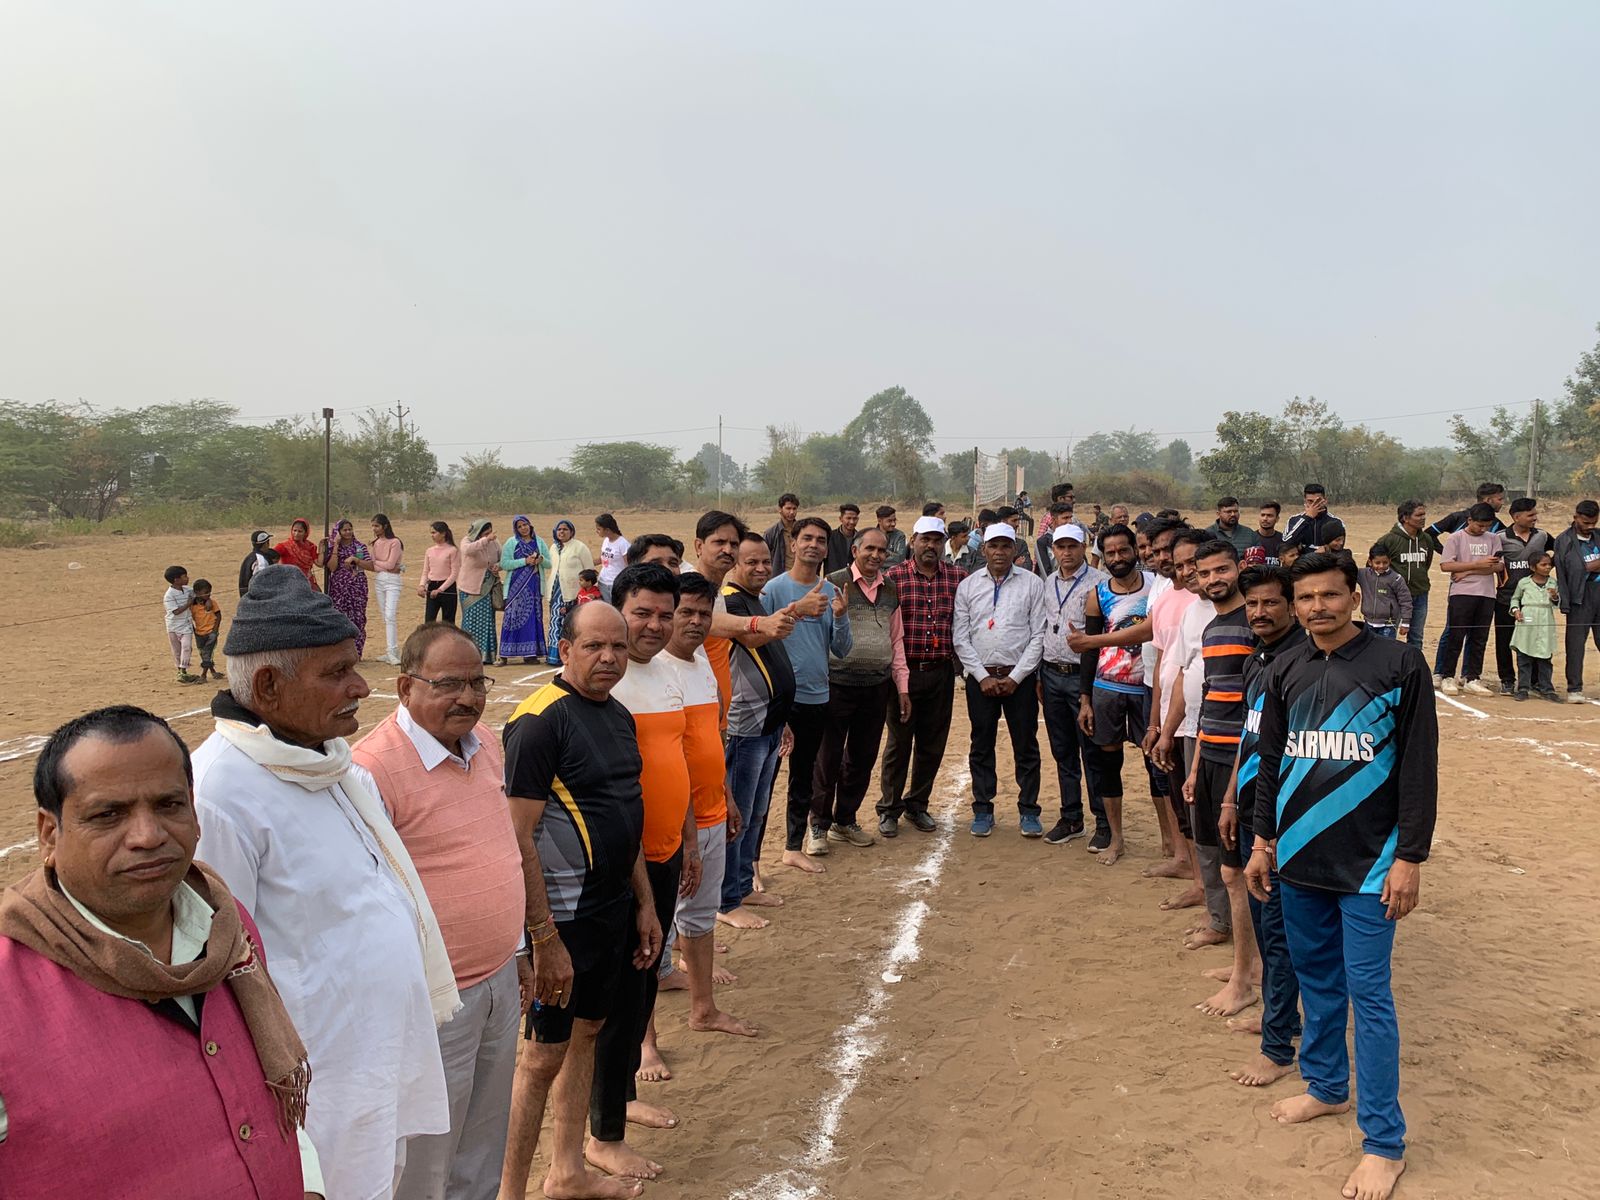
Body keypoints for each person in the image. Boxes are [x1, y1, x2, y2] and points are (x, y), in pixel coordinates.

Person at [193, 566, 453, 1199]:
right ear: (267, 686)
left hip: (379, 1059)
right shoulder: (220, 792)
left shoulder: (331, 764)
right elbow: (222, 972)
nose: (361, 687)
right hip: (320, 1087)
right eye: (337, 672)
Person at [0, 706, 322, 1200]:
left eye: (169, 805)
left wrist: (309, 1185)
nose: (148, 836)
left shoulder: (226, 922)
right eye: (108, 815)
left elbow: (268, 1087)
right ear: (49, 833)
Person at [1248, 551, 1437, 1200]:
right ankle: (1327, 1086)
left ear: (1355, 596)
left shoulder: (1398, 664)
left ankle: (1384, 1144)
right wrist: (1263, 841)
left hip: (1371, 864)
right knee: (1318, 982)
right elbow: (1270, 760)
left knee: (1370, 997)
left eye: (1329, 595)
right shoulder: (1286, 666)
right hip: (1299, 860)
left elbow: (1419, 767)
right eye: (1305, 598)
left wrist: (1411, 857)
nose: (1316, 608)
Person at [352, 624, 525, 1200]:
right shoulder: (372, 770)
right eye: (448, 684)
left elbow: (503, 849)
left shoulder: (486, 743)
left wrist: (521, 948)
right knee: (427, 1159)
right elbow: (367, 898)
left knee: (483, 1144)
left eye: (477, 683)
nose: (468, 698)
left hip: (499, 978)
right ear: (406, 687)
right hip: (433, 1001)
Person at [498, 601, 658, 1200]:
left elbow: (624, 814)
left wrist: (644, 903)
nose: (608, 657)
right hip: (560, 920)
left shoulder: (618, 716)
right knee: (541, 1058)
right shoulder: (540, 722)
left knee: (588, 1031)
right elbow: (517, 837)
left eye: (617, 646)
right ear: (564, 649)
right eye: (593, 646)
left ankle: (566, 1172)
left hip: (609, 913)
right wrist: (543, 938)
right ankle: (510, 1192)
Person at [589, 564, 689, 1180]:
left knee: (644, 985)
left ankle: (620, 1099)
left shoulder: (667, 672)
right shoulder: (606, 684)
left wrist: (689, 844)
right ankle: (602, 1132)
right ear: (617, 609)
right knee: (618, 997)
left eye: (663, 614)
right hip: (623, 869)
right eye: (641, 613)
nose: (654, 625)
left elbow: (676, 760)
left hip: (666, 854)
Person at [1215, 565, 1307, 1087]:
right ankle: (1281, 1017)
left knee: (1279, 932)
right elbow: (1249, 739)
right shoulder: (1257, 659)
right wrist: (1231, 797)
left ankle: (1278, 1048)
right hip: (1251, 806)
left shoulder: (1304, 661)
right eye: (1252, 604)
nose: (1259, 612)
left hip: (1280, 816)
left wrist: (1268, 830)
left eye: (1271, 603)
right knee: (1267, 924)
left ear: (1291, 605)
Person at [661, 572, 757, 1036]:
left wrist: (727, 797)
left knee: (700, 917)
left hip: (712, 814)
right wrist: (688, 838)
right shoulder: (652, 671)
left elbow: (710, 742)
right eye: (686, 612)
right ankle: (646, 1041)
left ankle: (703, 1009)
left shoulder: (702, 664)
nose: (696, 621)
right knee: (657, 928)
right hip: (673, 826)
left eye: (704, 612)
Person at [1177, 541, 1259, 1016]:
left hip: (1241, 763)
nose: (1212, 580)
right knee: (1227, 867)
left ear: (1239, 567)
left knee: (1241, 869)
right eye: (1204, 573)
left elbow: (1255, 709)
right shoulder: (1213, 627)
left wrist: (1230, 787)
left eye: (1221, 570)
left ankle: (1248, 976)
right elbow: (1211, 698)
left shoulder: (1256, 623)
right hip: (1210, 758)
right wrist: (1195, 768)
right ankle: (1246, 965)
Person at [717, 533, 798, 928]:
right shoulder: (731, 601)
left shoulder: (755, 599)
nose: (762, 568)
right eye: (752, 562)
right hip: (745, 727)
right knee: (738, 816)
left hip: (769, 725)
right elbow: (751, 637)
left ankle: (744, 885)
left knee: (756, 812)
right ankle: (727, 900)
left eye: (766, 561)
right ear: (735, 563)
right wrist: (798, 611)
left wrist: (783, 721)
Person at [763, 517, 852, 866]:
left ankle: (793, 848)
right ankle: (751, 862)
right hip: (778, 701)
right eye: (807, 538)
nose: (814, 545)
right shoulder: (773, 590)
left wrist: (841, 617)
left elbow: (841, 649)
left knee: (803, 779)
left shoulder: (832, 592)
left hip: (816, 698)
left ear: (827, 549)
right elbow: (759, 639)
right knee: (764, 781)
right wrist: (795, 611)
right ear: (793, 544)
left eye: (820, 540)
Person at [815, 526, 910, 848]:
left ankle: (845, 820)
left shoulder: (890, 589)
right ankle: (818, 826)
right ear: (855, 551)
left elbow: (896, 640)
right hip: (836, 686)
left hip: (876, 687)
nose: (876, 555)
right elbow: (820, 634)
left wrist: (902, 686)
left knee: (862, 758)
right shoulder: (832, 583)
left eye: (882, 551)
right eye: (869, 548)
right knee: (827, 759)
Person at [953, 523, 1046, 838]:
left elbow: (1038, 635)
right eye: (993, 546)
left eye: (1006, 546)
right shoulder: (968, 586)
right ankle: (982, 809)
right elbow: (961, 637)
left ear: (1015, 549)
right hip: (981, 680)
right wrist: (981, 676)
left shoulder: (1032, 584)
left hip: (1019, 680)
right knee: (981, 744)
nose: (999, 552)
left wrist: (1017, 676)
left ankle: (1029, 810)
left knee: (1026, 745)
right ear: (984, 549)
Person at [1071, 524, 1155, 866]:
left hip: (1148, 689)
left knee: (1156, 765)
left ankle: (1172, 842)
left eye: (1123, 550)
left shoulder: (1155, 586)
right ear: (1102, 557)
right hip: (1108, 689)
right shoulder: (1098, 595)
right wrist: (1085, 699)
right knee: (1108, 764)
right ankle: (1116, 839)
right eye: (1110, 553)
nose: (1117, 558)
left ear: (1135, 550)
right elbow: (1089, 652)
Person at [878, 516, 967, 836]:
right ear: (913, 541)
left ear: (944, 543)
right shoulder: (894, 578)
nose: (931, 545)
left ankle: (918, 804)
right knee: (899, 743)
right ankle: (889, 808)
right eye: (925, 539)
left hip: (940, 672)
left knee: (932, 743)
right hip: (903, 674)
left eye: (937, 540)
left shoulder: (958, 577)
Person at [1036, 523, 1107, 845]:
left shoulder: (1099, 583)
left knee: (1092, 753)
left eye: (1072, 546)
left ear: (1084, 547)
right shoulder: (1048, 582)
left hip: (1083, 676)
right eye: (1060, 546)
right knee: (1063, 751)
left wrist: (1089, 687)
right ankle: (1071, 817)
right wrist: (1039, 675)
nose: (1066, 552)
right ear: (1053, 550)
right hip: (1051, 674)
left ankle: (1103, 822)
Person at [1434, 503, 1504, 695]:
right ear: (1470, 520)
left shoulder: (1493, 539)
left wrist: (1469, 570)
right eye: (1480, 525)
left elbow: (1498, 566)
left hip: (1486, 593)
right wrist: (1477, 564)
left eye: (1487, 526)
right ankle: (1447, 676)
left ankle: (1472, 677)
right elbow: (1446, 565)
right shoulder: (1456, 538)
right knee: (1456, 636)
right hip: (1462, 593)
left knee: (1479, 637)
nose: (1483, 529)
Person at [1494, 498, 1552, 695]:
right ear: (1516, 517)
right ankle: (1507, 680)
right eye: (1530, 515)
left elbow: (1558, 550)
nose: (1535, 518)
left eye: (1535, 514)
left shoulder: (1542, 536)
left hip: (1533, 602)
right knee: (1504, 640)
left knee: (1532, 638)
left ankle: (1534, 680)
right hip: (1506, 598)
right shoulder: (1500, 537)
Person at [1553, 498, 1600, 702]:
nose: (1590, 527)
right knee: (1575, 644)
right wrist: (1591, 566)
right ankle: (1574, 688)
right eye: (1586, 522)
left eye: (1594, 523)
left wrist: (1590, 567)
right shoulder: (1564, 541)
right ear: (1575, 517)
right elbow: (1565, 572)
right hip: (1578, 596)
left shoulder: (1598, 536)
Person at [1374, 501, 1436, 651]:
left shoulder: (1426, 540)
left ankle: (1413, 664)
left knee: (1416, 637)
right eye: (1418, 515)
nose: (1423, 518)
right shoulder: (1389, 540)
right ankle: (1386, 664)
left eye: (1424, 514)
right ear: (1405, 518)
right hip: (1394, 596)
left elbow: (1426, 564)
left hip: (1420, 594)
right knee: (1388, 636)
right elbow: (1375, 566)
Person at [1509, 551, 1561, 701]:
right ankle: (1523, 688)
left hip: (1545, 620)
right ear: (1533, 567)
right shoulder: (1524, 583)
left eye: (1549, 565)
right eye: (1543, 565)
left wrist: (1555, 597)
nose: (1547, 567)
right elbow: (1515, 598)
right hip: (1527, 620)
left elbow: (1557, 602)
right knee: (1524, 656)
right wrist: (1516, 610)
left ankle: (1547, 688)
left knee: (1545, 656)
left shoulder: (1553, 583)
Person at [499, 515, 549, 666]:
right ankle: (505, 654)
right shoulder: (511, 542)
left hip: (534, 587)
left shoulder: (539, 542)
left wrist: (541, 560)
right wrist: (525, 561)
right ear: (516, 529)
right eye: (519, 526)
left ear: (530, 524)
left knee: (532, 619)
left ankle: (531, 654)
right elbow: (505, 563)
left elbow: (549, 563)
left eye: (525, 524)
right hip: (515, 588)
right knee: (511, 619)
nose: (523, 528)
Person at [544, 519, 596, 666]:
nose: (562, 532)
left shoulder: (580, 547)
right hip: (556, 590)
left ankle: (572, 655)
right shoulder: (553, 547)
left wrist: (590, 591)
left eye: (565, 529)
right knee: (555, 622)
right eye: (559, 529)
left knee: (571, 623)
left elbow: (590, 570)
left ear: (571, 532)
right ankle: (554, 656)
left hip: (574, 592)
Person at [321, 518, 372, 659]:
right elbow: (332, 567)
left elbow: (370, 565)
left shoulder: (359, 547)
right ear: (338, 532)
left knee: (358, 617)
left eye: (350, 529)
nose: (348, 532)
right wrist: (336, 546)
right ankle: (340, 653)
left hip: (357, 587)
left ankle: (356, 652)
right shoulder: (333, 548)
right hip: (339, 588)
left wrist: (356, 560)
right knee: (339, 617)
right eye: (344, 530)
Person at [458, 520, 502, 667]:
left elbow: (501, 558)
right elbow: (468, 551)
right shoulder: (467, 541)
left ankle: (487, 655)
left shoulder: (494, 543)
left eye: (490, 532)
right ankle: (468, 655)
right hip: (470, 588)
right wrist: (485, 540)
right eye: (485, 533)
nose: (489, 535)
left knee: (487, 621)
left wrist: (498, 566)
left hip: (488, 586)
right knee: (470, 621)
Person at [371, 513, 407, 665]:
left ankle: (392, 651)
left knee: (390, 615)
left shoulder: (395, 542)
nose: (374, 529)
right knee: (385, 616)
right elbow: (375, 564)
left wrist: (378, 563)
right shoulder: (376, 543)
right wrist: (382, 564)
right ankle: (390, 650)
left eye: (377, 526)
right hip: (380, 580)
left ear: (385, 526)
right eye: (373, 526)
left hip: (392, 581)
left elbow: (390, 564)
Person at [1357, 546, 1412, 640]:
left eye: (1385, 562)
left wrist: (1405, 622)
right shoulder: (1363, 574)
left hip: (1388, 625)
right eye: (1377, 563)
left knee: (1386, 648)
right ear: (1370, 562)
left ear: (1390, 561)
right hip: (1368, 623)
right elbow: (1347, 573)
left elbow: (1405, 600)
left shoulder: (1396, 579)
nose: (1381, 566)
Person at [162, 564, 199, 685]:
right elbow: (176, 611)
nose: (187, 578)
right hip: (173, 626)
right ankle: (181, 672)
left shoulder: (188, 590)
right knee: (177, 651)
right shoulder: (169, 595)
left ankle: (183, 670)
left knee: (187, 647)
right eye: (184, 576)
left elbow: (199, 595)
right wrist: (189, 603)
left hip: (186, 625)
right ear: (176, 580)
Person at [420, 520, 461, 625]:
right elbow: (426, 571)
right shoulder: (429, 551)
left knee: (448, 622)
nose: (432, 535)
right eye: (431, 533)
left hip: (447, 588)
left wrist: (440, 589)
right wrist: (422, 585)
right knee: (429, 622)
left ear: (443, 533)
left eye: (434, 532)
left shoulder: (453, 550)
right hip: (432, 585)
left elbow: (454, 574)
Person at [1283, 484, 1344, 553]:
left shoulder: (1336, 522)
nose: (1314, 504)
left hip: (1326, 559)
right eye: (1310, 501)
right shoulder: (1294, 520)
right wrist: (1307, 518)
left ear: (1325, 500)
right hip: (1302, 559)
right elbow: (1286, 544)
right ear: (1305, 501)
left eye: (1318, 501)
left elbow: (1337, 549)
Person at [190, 578, 223, 684]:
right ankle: (213, 671)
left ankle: (203, 675)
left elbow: (218, 616)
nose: (208, 594)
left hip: (211, 633)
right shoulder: (192, 606)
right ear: (197, 593)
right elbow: (189, 618)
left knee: (207, 653)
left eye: (209, 592)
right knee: (204, 654)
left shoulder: (212, 603)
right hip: (199, 633)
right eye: (206, 592)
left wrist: (215, 631)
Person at [274, 518, 321, 591]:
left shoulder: (310, 547)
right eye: (294, 530)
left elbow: (319, 563)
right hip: (289, 583)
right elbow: (271, 556)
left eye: (300, 531)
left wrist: (322, 547)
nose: (296, 534)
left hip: (307, 583)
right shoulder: (284, 546)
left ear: (306, 533)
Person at [595, 514, 630, 603]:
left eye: (599, 529)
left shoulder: (623, 544)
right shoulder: (606, 541)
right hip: (603, 583)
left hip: (616, 584)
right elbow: (603, 559)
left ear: (607, 530)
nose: (596, 531)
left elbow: (629, 566)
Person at [763, 493, 800, 576]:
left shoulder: (802, 531)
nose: (792, 512)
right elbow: (763, 558)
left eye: (794, 508)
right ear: (780, 509)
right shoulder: (771, 533)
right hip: (779, 577)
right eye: (788, 508)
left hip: (801, 576)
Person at [1035, 502, 1073, 575]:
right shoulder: (1043, 542)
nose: (1070, 521)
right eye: (1065, 518)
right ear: (1053, 519)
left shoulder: (1074, 539)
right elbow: (1045, 572)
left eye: (1070, 517)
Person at [826, 503, 861, 574]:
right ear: (841, 519)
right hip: (833, 578)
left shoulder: (860, 538)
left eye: (855, 519)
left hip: (854, 578)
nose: (852, 522)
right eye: (848, 518)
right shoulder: (829, 537)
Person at [239, 529, 274, 596]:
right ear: (265, 543)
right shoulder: (261, 560)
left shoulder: (250, 557)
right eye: (268, 541)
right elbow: (261, 582)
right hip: (257, 598)